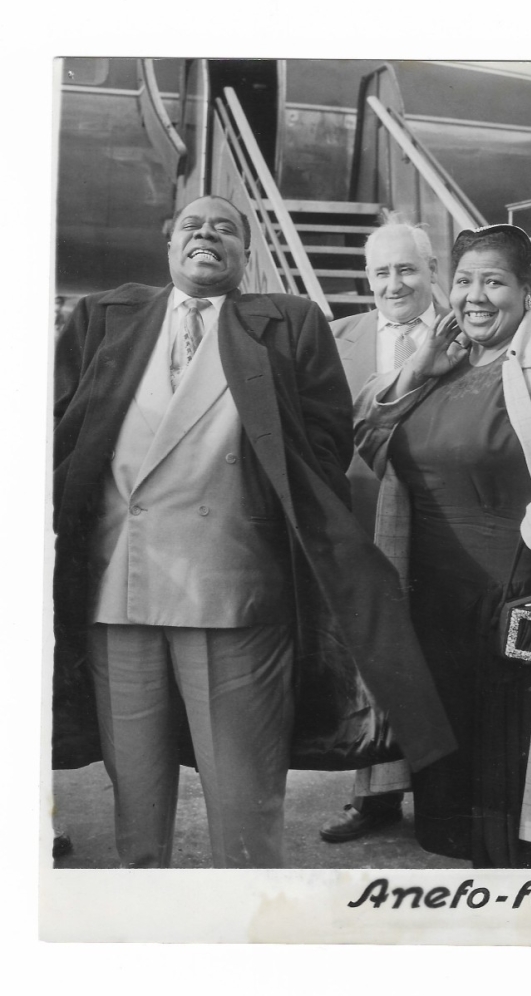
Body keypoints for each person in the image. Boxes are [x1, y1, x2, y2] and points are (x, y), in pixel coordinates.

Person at [53, 194, 456, 869]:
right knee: (136, 803)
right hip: (117, 591)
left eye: (225, 228)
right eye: (192, 225)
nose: (207, 235)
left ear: (247, 253)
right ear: (169, 243)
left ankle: (243, 927)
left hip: (235, 591)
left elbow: (326, 446)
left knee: (244, 808)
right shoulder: (105, 316)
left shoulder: (288, 322)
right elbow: (59, 425)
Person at [354, 224, 531, 867]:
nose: (476, 296)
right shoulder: (446, 360)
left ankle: (512, 892)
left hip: (513, 589)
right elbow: (367, 440)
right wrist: (417, 369)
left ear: (526, 290)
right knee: (448, 750)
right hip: (432, 592)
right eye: (464, 281)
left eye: (494, 282)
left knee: (509, 757)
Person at [320, 218, 448, 843]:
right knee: (374, 652)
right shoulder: (337, 337)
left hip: (448, 514)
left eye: (407, 269)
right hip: (366, 517)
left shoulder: (468, 331)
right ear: (366, 278)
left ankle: (448, 793)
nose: (394, 284)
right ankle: (374, 796)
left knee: (442, 647)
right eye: (381, 272)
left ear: (432, 271)